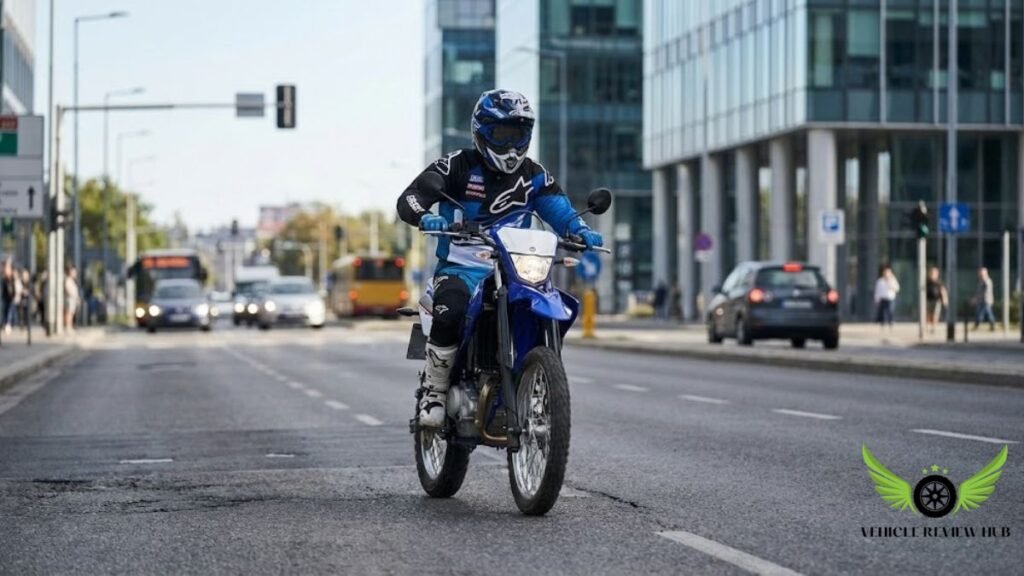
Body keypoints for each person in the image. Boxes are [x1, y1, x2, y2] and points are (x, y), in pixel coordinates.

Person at [397, 89, 604, 428]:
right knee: (451, 309)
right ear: (481, 131)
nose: (511, 146)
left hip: (514, 270)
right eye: (502, 134)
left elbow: (561, 211)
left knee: (547, 300)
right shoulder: (456, 165)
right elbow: (411, 198)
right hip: (462, 269)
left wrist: (581, 229)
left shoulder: (535, 175)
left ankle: (536, 378)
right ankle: (435, 392)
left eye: (518, 135)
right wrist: (425, 217)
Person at [873, 264, 899, 331]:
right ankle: (882, 324)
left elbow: (897, 288)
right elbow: (877, 290)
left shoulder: (893, 280)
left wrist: (890, 283)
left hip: (890, 298)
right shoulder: (880, 281)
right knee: (883, 312)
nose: (887, 274)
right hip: (883, 298)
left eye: (888, 272)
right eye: (886, 272)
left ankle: (891, 323)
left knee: (890, 311)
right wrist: (877, 299)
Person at [924, 266, 947, 334]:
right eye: (932, 272)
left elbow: (943, 291)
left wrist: (945, 300)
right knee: (928, 314)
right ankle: (927, 327)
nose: (933, 274)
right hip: (928, 300)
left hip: (937, 301)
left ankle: (933, 328)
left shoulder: (939, 282)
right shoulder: (927, 281)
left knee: (935, 315)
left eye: (934, 273)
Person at [973, 266, 996, 331]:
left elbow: (985, 293)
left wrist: (976, 299)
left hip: (986, 300)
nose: (980, 275)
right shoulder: (981, 281)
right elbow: (979, 292)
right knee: (984, 313)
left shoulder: (987, 281)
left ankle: (977, 326)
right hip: (982, 300)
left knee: (982, 314)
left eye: (981, 274)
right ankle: (978, 325)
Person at [64, 265, 80, 333]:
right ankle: (68, 327)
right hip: (69, 299)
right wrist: (73, 296)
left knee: (71, 313)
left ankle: (70, 326)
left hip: (73, 299)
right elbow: (67, 289)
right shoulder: (67, 280)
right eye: (73, 272)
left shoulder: (72, 281)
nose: (75, 274)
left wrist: (77, 298)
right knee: (69, 313)